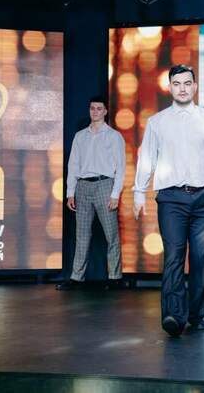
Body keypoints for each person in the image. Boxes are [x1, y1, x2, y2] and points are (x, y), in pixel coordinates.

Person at [133, 64, 204, 337]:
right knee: (174, 256)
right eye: (177, 84)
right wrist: (139, 191)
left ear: (195, 86)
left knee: (201, 259)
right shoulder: (157, 122)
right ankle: (173, 316)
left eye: (187, 83)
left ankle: (196, 314)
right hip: (171, 199)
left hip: (203, 198)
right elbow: (147, 158)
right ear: (170, 88)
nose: (183, 88)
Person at [58, 96, 126, 290]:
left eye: (98, 108)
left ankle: (115, 277)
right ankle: (76, 277)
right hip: (83, 186)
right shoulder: (80, 136)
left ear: (105, 111)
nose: (95, 111)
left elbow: (121, 168)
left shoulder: (114, 136)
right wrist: (70, 192)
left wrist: (115, 194)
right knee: (82, 235)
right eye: (92, 108)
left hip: (104, 184)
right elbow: (73, 165)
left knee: (111, 235)